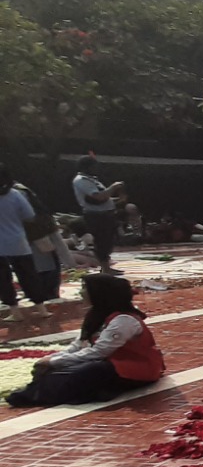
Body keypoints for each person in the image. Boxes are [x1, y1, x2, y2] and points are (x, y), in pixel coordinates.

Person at [7, 274, 164, 407]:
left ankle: (30, 396)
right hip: (110, 364)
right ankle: (36, 392)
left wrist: (56, 362)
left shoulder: (124, 320)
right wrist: (54, 359)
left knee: (87, 371)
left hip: (138, 368)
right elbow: (80, 344)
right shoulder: (96, 315)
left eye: (84, 288)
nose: (81, 292)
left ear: (99, 293)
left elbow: (99, 352)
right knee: (58, 368)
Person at [0, 168, 48, 322]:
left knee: (3, 279)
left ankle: (15, 311)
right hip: (19, 241)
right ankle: (42, 309)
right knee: (28, 275)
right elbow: (30, 216)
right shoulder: (15, 194)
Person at [72, 155, 124, 275]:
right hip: (96, 216)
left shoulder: (92, 179)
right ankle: (105, 269)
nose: (96, 168)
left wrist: (117, 199)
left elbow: (104, 199)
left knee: (108, 241)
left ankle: (106, 268)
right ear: (87, 167)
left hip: (105, 214)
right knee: (102, 242)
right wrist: (113, 187)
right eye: (94, 166)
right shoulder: (81, 180)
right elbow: (98, 196)